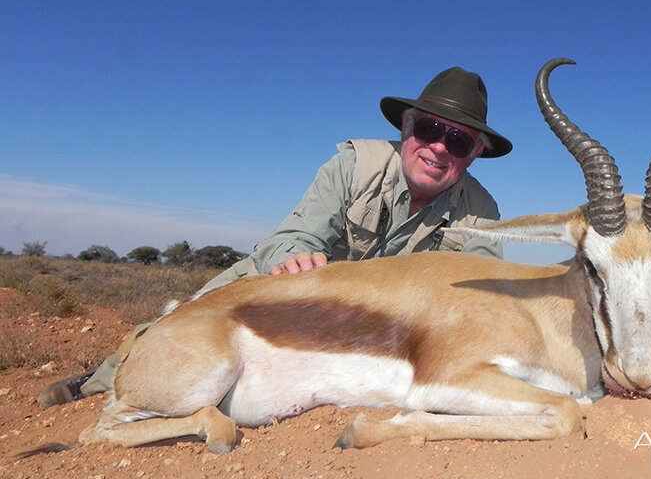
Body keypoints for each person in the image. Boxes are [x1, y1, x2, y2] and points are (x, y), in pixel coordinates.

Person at [37, 66, 513, 408]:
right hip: (296, 287)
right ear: (407, 126)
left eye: (458, 141)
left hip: (381, 328)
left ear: (475, 154)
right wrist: (298, 257)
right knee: (191, 322)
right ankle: (99, 382)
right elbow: (295, 233)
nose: (438, 147)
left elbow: (481, 302)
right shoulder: (353, 164)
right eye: (430, 128)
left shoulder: (483, 212)